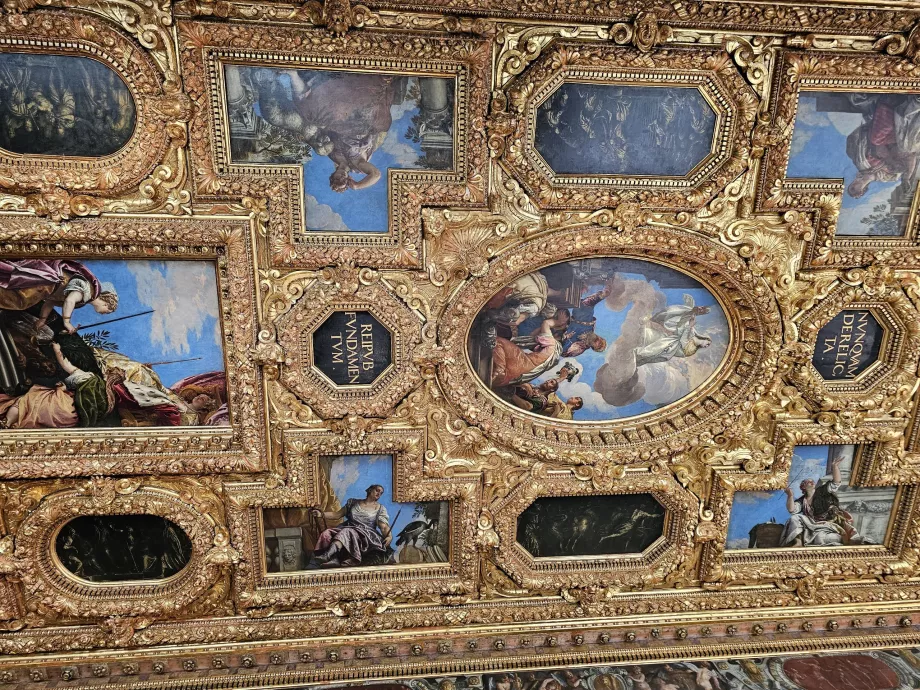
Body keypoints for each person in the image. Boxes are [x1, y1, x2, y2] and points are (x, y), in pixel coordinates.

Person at [0, 260, 117, 336]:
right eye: (107, 311)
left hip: (47, 290)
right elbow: (69, 300)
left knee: (18, 300)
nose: (104, 314)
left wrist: (42, 319)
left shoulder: (82, 302)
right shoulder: (89, 290)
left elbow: (50, 302)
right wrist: (67, 322)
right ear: (106, 303)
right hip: (46, 283)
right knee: (19, 300)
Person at [844, 93, 920, 199]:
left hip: (882, 136)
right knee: (907, 143)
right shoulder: (889, 177)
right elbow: (910, 156)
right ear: (863, 191)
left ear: (853, 183)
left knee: (876, 138)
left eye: (852, 188)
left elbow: (858, 141)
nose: (856, 187)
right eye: (857, 191)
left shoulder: (860, 162)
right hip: (901, 142)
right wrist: (906, 178)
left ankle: (889, 103)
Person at [779, 452, 863, 546]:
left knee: (820, 538)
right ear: (803, 487)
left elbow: (836, 483)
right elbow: (792, 510)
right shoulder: (803, 501)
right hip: (810, 525)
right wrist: (790, 495)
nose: (811, 482)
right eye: (808, 482)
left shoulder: (822, 491)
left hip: (826, 525)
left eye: (812, 481)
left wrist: (835, 467)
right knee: (794, 518)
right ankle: (797, 542)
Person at [310, 484, 393, 567]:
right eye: (377, 490)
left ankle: (327, 555)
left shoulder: (380, 508)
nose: (379, 494)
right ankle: (334, 558)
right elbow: (337, 515)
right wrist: (321, 514)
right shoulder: (353, 503)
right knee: (327, 533)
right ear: (370, 490)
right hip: (349, 528)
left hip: (366, 534)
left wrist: (389, 536)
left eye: (381, 493)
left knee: (346, 531)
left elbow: (384, 527)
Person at [634, 294, 712, 368]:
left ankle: (640, 353)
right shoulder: (695, 335)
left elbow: (683, 341)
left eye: (707, 346)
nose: (706, 346)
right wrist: (689, 324)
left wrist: (689, 326)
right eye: (708, 344)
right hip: (676, 334)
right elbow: (688, 329)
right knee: (671, 321)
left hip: (673, 345)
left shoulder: (693, 349)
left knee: (660, 345)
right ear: (705, 338)